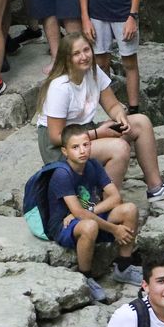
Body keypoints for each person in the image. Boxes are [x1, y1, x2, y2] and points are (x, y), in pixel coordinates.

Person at [37, 33, 164, 200]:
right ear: (67, 59)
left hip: (84, 131)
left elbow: (112, 106)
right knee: (119, 148)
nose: (84, 57)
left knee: (141, 122)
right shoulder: (60, 87)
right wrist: (98, 133)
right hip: (61, 147)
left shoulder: (93, 73)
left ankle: (155, 187)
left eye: (86, 50)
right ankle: (107, 203)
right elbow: (55, 137)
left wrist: (120, 117)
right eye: (76, 53)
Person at [43, 125, 143, 302]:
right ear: (65, 151)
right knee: (89, 226)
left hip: (85, 216)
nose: (82, 151)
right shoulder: (62, 174)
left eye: (86, 145)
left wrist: (86, 211)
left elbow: (115, 197)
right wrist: (114, 229)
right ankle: (86, 277)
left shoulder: (93, 165)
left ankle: (124, 267)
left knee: (129, 209)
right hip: (64, 226)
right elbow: (79, 214)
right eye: (75, 147)